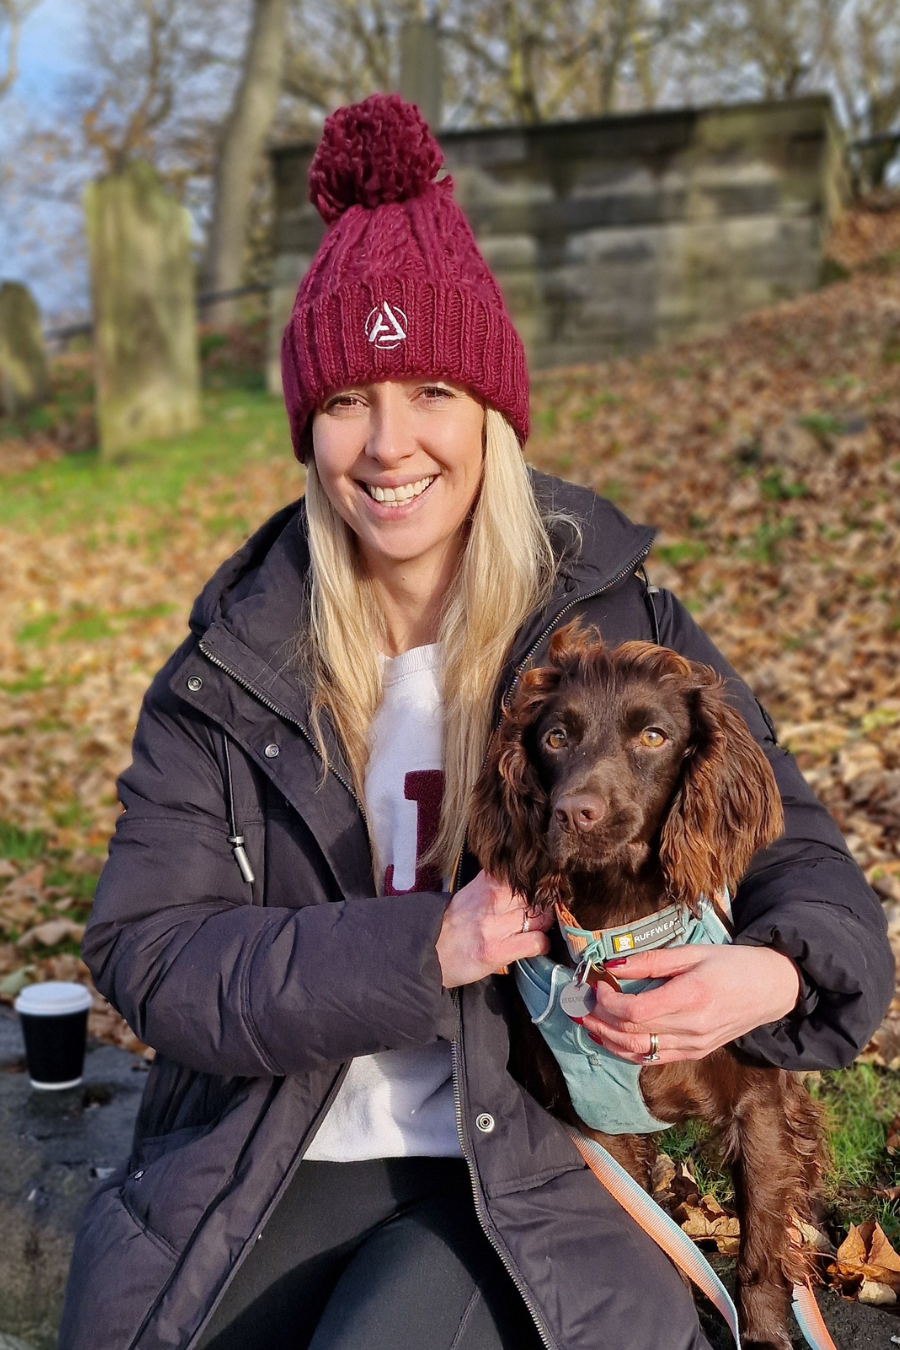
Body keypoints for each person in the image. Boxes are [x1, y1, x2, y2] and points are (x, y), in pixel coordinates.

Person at [59, 94, 893, 1350]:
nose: (391, 445)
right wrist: (427, 947)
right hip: (261, 1148)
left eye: (433, 389)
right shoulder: (226, 667)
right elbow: (151, 955)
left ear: (492, 415)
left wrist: (767, 974)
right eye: (349, 400)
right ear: (307, 428)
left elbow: (808, 865)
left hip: (531, 1165)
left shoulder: (607, 618)